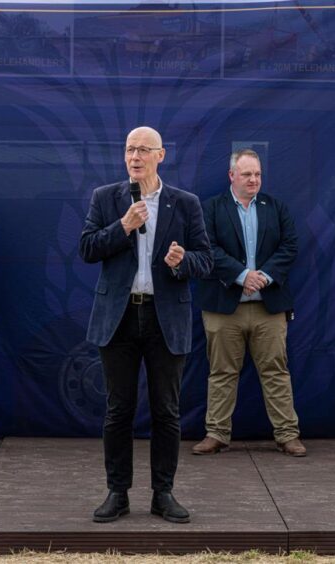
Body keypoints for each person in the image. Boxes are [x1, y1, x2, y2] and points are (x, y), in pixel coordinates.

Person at [79, 126, 212, 524]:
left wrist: (181, 262)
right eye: (128, 150)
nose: (134, 157)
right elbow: (87, 248)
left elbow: (205, 260)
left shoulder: (185, 204)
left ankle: (163, 493)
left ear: (161, 155)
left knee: (167, 411)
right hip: (118, 318)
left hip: (163, 316)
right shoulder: (107, 198)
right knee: (118, 410)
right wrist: (122, 226)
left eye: (142, 150)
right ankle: (117, 493)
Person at [193, 149, 305, 457]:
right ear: (232, 176)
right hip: (223, 307)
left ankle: (287, 435)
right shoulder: (211, 209)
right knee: (221, 372)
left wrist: (265, 276)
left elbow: (290, 246)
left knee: (276, 371)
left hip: (268, 307)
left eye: (257, 174)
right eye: (247, 174)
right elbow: (206, 249)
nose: (253, 179)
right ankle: (216, 434)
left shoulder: (276, 208)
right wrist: (242, 275)